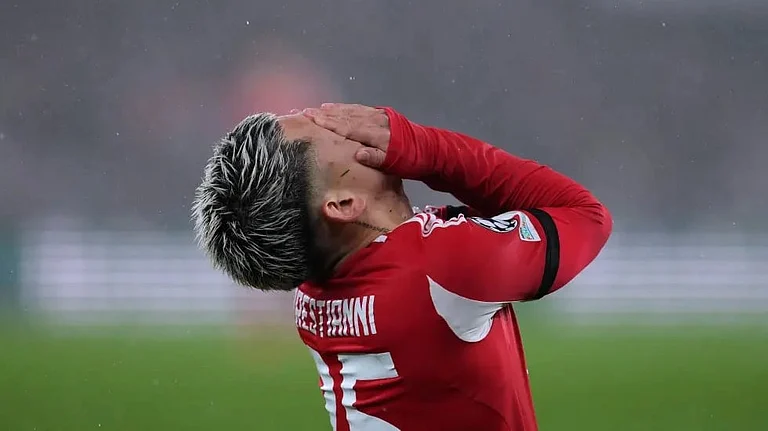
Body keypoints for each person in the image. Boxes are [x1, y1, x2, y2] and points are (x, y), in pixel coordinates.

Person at [192, 103, 612, 430]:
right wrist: (426, 149)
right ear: (342, 204)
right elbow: (586, 216)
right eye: (325, 129)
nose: (339, 117)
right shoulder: (437, 266)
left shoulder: (317, 287)